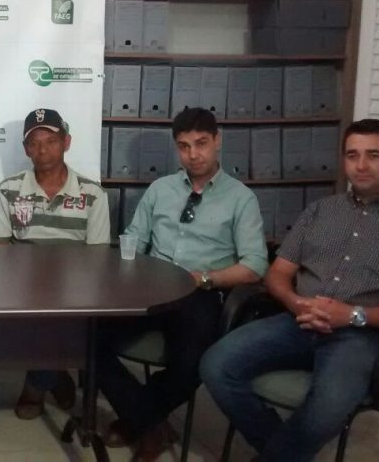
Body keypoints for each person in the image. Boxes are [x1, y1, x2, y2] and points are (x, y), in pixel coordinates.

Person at [201, 119, 379, 462]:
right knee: (215, 365)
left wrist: (353, 315)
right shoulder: (321, 210)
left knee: (328, 407)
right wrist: (295, 302)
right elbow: (278, 273)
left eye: (373, 155)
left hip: (360, 334)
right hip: (298, 320)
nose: (361, 165)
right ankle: (282, 451)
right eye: (352, 155)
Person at [99, 107, 268, 461]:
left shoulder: (241, 198)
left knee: (193, 365)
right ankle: (150, 423)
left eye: (201, 143)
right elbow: (134, 240)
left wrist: (204, 278)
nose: (193, 154)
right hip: (150, 286)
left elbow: (254, 266)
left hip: (201, 291)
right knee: (87, 341)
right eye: (184, 146)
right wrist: (126, 272)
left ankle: (138, 420)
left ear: (217, 140)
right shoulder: (160, 189)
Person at [0, 108, 110, 420]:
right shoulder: (7, 190)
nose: (43, 150)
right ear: (25, 148)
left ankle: (36, 385)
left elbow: (98, 257)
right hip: (22, 286)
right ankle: (55, 376)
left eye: (51, 141)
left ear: (66, 142)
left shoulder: (92, 193)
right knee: (30, 318)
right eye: (35, 143)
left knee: (61, 319)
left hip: (75, 287)